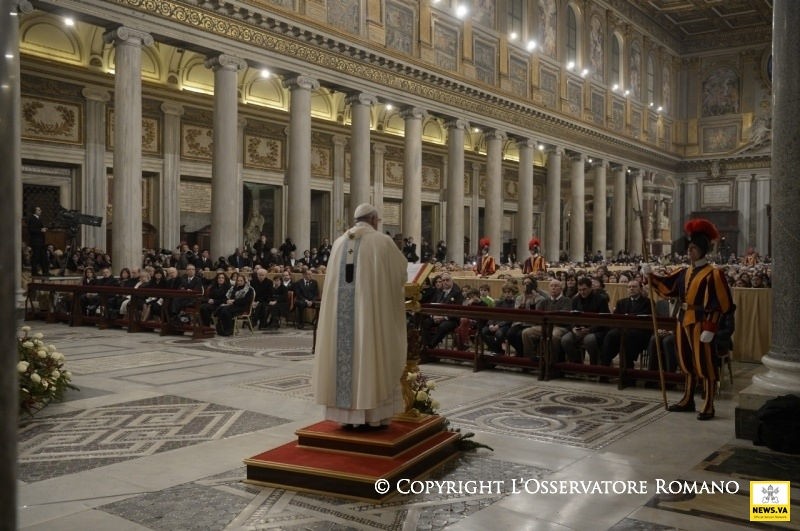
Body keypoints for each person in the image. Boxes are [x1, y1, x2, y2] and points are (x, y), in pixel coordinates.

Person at [312, 203, 408, 430]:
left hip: (340, 320)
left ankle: (346, 417)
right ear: (374, 220)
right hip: (370, 317)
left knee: (344, 357)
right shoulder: (382, 242)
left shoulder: (338, 244)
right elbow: (401, 274)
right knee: (370, 354)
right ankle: (374, 416)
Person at [644, 218, 733, 420]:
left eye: (693, 248)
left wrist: (710, 327)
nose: (690, 251)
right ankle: (687, 399)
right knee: (685, 362)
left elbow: (722, 304)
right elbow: (668, 289)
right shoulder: (684, 272)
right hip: (682, 319)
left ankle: (708, 404)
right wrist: (651, 276)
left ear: (703, 250)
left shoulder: (714, 274)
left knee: (704, 364)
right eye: (689, 248)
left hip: (702, 323)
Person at [600, 280, 651, 368]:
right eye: (629, 287)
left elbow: (645, 318)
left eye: (634, 287)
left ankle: (628, 367)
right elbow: (616, 318)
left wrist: (629, 317)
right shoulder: (621, 302)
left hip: (639, 332)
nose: (631, 289)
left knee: (628, 337)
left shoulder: (647, 302)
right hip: (622, 329)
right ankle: (605, 366)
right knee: (610, 335)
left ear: (640, 289)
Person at [560, 276, 611, 364]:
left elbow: (604, 320)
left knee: (589, 340)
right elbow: (572, 318)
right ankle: (576, 363)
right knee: (565, 340)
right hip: (579, 329)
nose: (582, 292)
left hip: (596, 330)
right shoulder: (575, 300)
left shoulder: (601, 299)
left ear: (591, 288)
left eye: (584, 289)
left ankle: (594, 364)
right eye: (579, 290)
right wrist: (574, 328)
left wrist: (589, 330)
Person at [27, 206, 49, 276]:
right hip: (36, 241)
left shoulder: (39, 219)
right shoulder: (32, 219)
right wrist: (40, 230)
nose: (41, 211)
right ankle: (34, 272)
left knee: (43, 256)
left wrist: (43, 229)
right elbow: (31, 230)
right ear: (35, 211)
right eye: (39, 210)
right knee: (36, 257)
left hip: (40, 242)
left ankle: (45, 272)